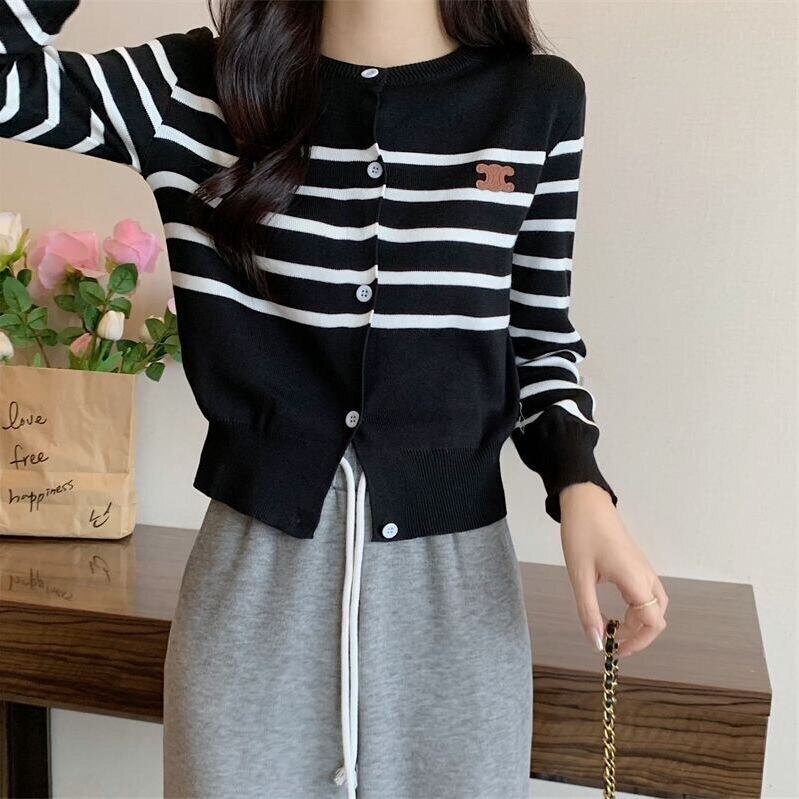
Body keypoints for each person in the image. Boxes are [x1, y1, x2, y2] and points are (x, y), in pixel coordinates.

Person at [0, 0, 669, 796]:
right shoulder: (195, 88)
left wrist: (579, 481)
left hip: (456, 612)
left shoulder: (534, 101)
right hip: (252, 598)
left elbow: (534, 330)